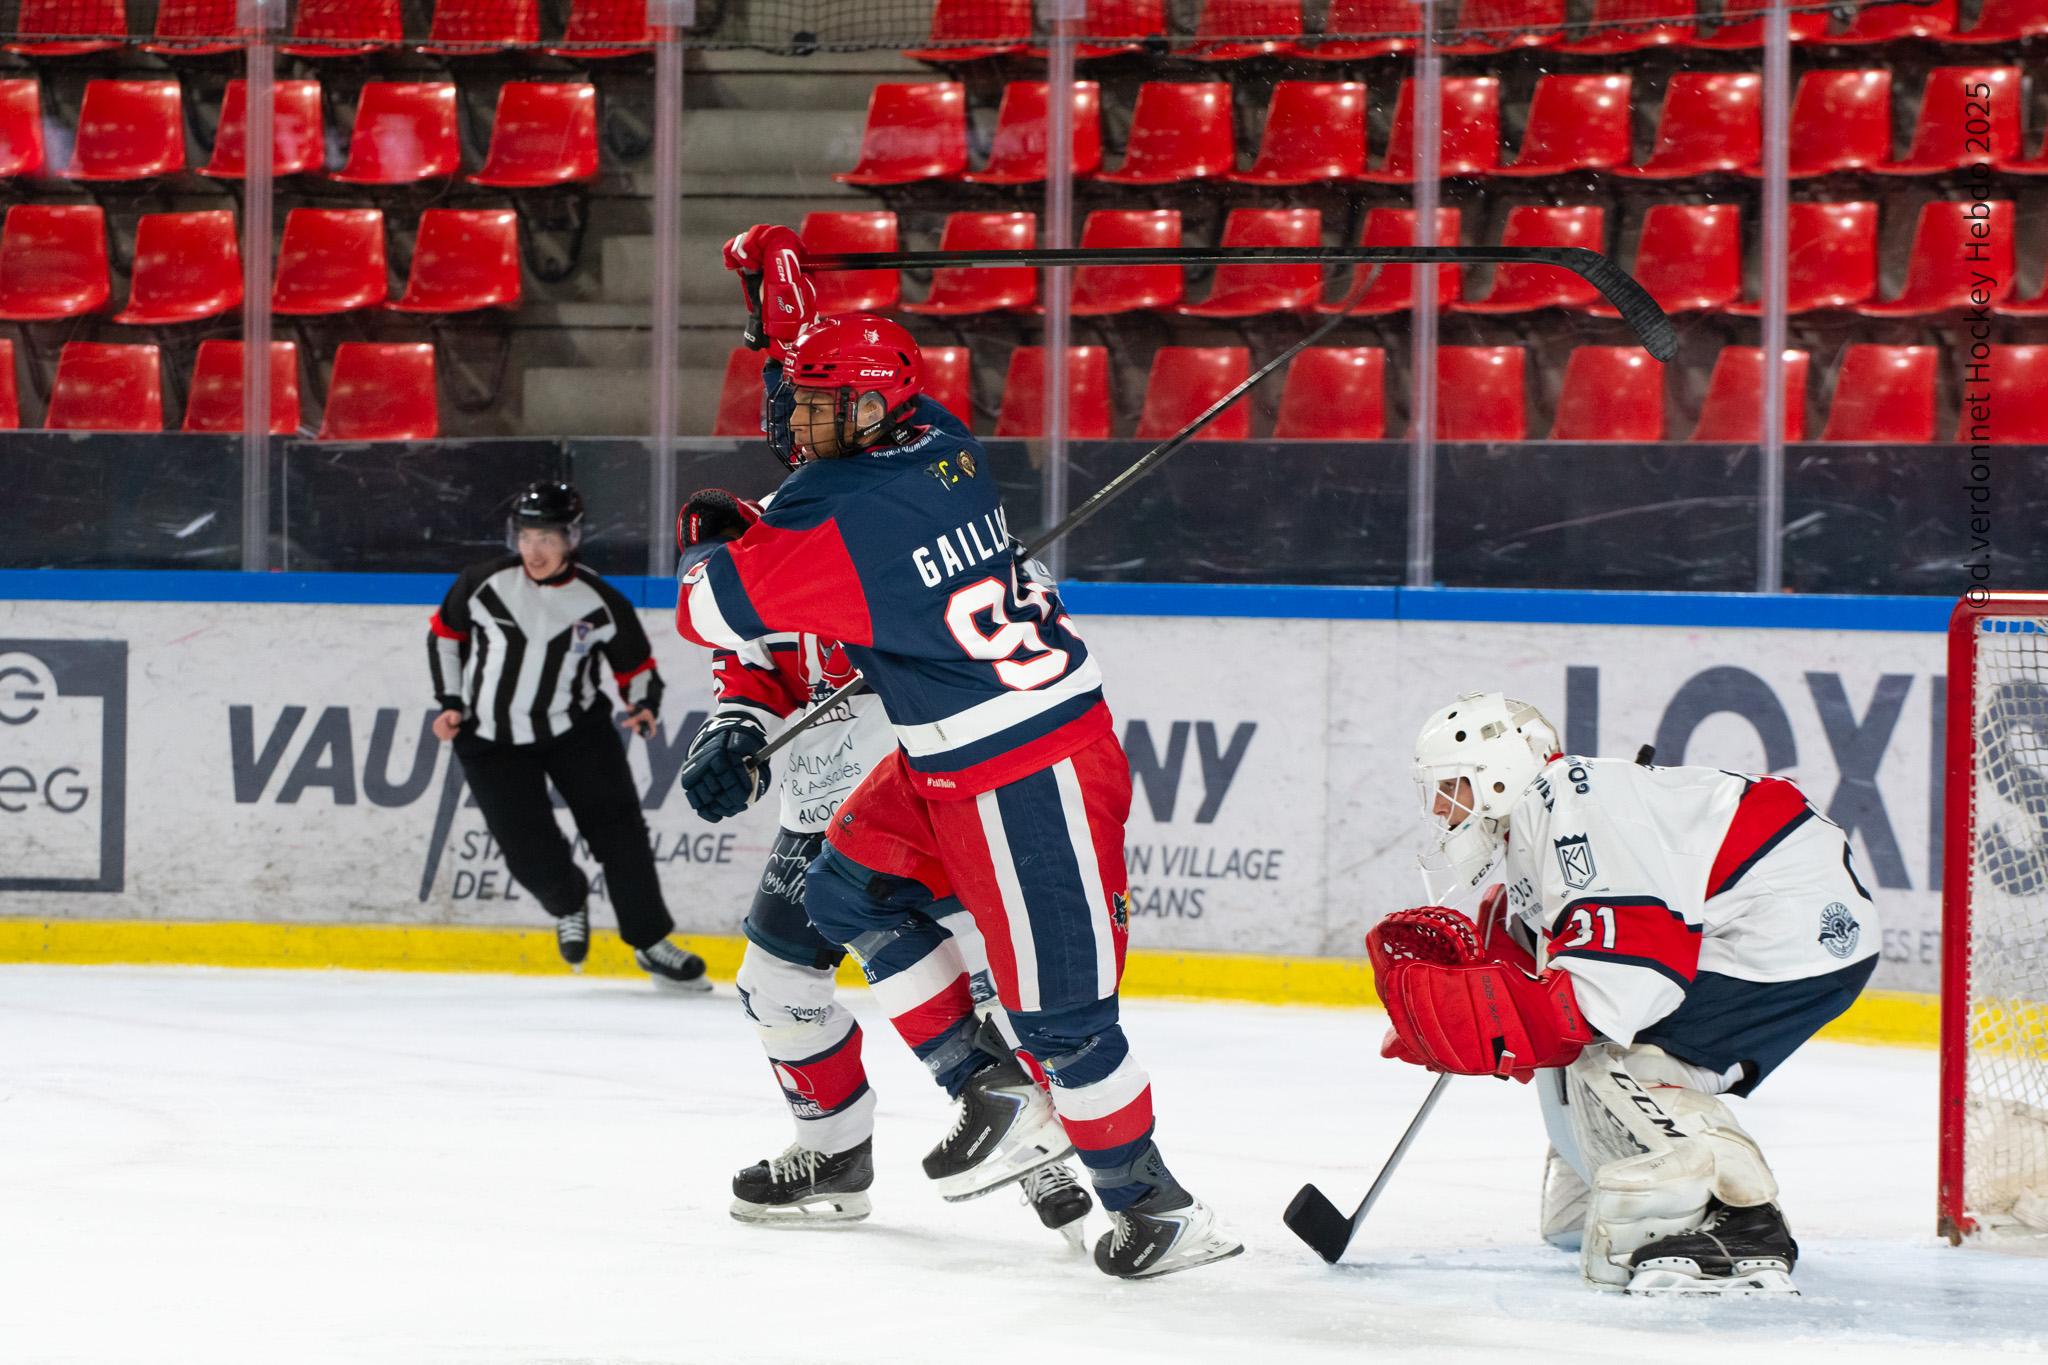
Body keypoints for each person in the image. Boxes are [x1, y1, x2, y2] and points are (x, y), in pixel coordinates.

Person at [670, 224, 1241, 1280]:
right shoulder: (939, 441)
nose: (798, 421)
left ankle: (1154, 1208)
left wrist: (709, 536)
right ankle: (987, 1086)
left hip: (1030, 770)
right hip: (947, 760)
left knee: (1065, 1021)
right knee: (844, 891)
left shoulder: (840, 518)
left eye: (819, 408)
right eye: (804, 402)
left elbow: (705, 607)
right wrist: (782, 320)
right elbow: (841, 384)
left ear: (869, 413)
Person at [672, 491, 1093, 1241]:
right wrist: (732, 744)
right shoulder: (746, 588)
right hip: (819, 810)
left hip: (923, 794)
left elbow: (1012, 623)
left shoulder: (876, 529)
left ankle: (1037, 1151)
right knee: (775, 986)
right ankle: (833, 1154)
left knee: (983, 976)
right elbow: (751, 687)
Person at [1372, 691, 1881, 1295]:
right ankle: (1615, 1173)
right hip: (1771, 921)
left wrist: (1502, 1026)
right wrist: (1497, 992)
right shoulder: (1544, 827)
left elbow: (1629, 977)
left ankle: (1742, 1218)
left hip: (1787, 928)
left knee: (1622, 1052)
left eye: (1453, 785)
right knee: (1578, 1041)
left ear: (1501, 774)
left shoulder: (1568, 802)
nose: (1440, 806)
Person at [427, 479, 709, 992]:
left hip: (577, 734)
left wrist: (642, 706)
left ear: (571, 539)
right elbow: (445, 637)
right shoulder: (482, 583)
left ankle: (650, 941)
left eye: (547, 538)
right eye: (526, 537)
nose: (534, 550)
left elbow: (636, 667)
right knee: (527, 851)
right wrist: (450, 702)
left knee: (621, 835)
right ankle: (568, 900)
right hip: (490, 740)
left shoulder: (600, 600)